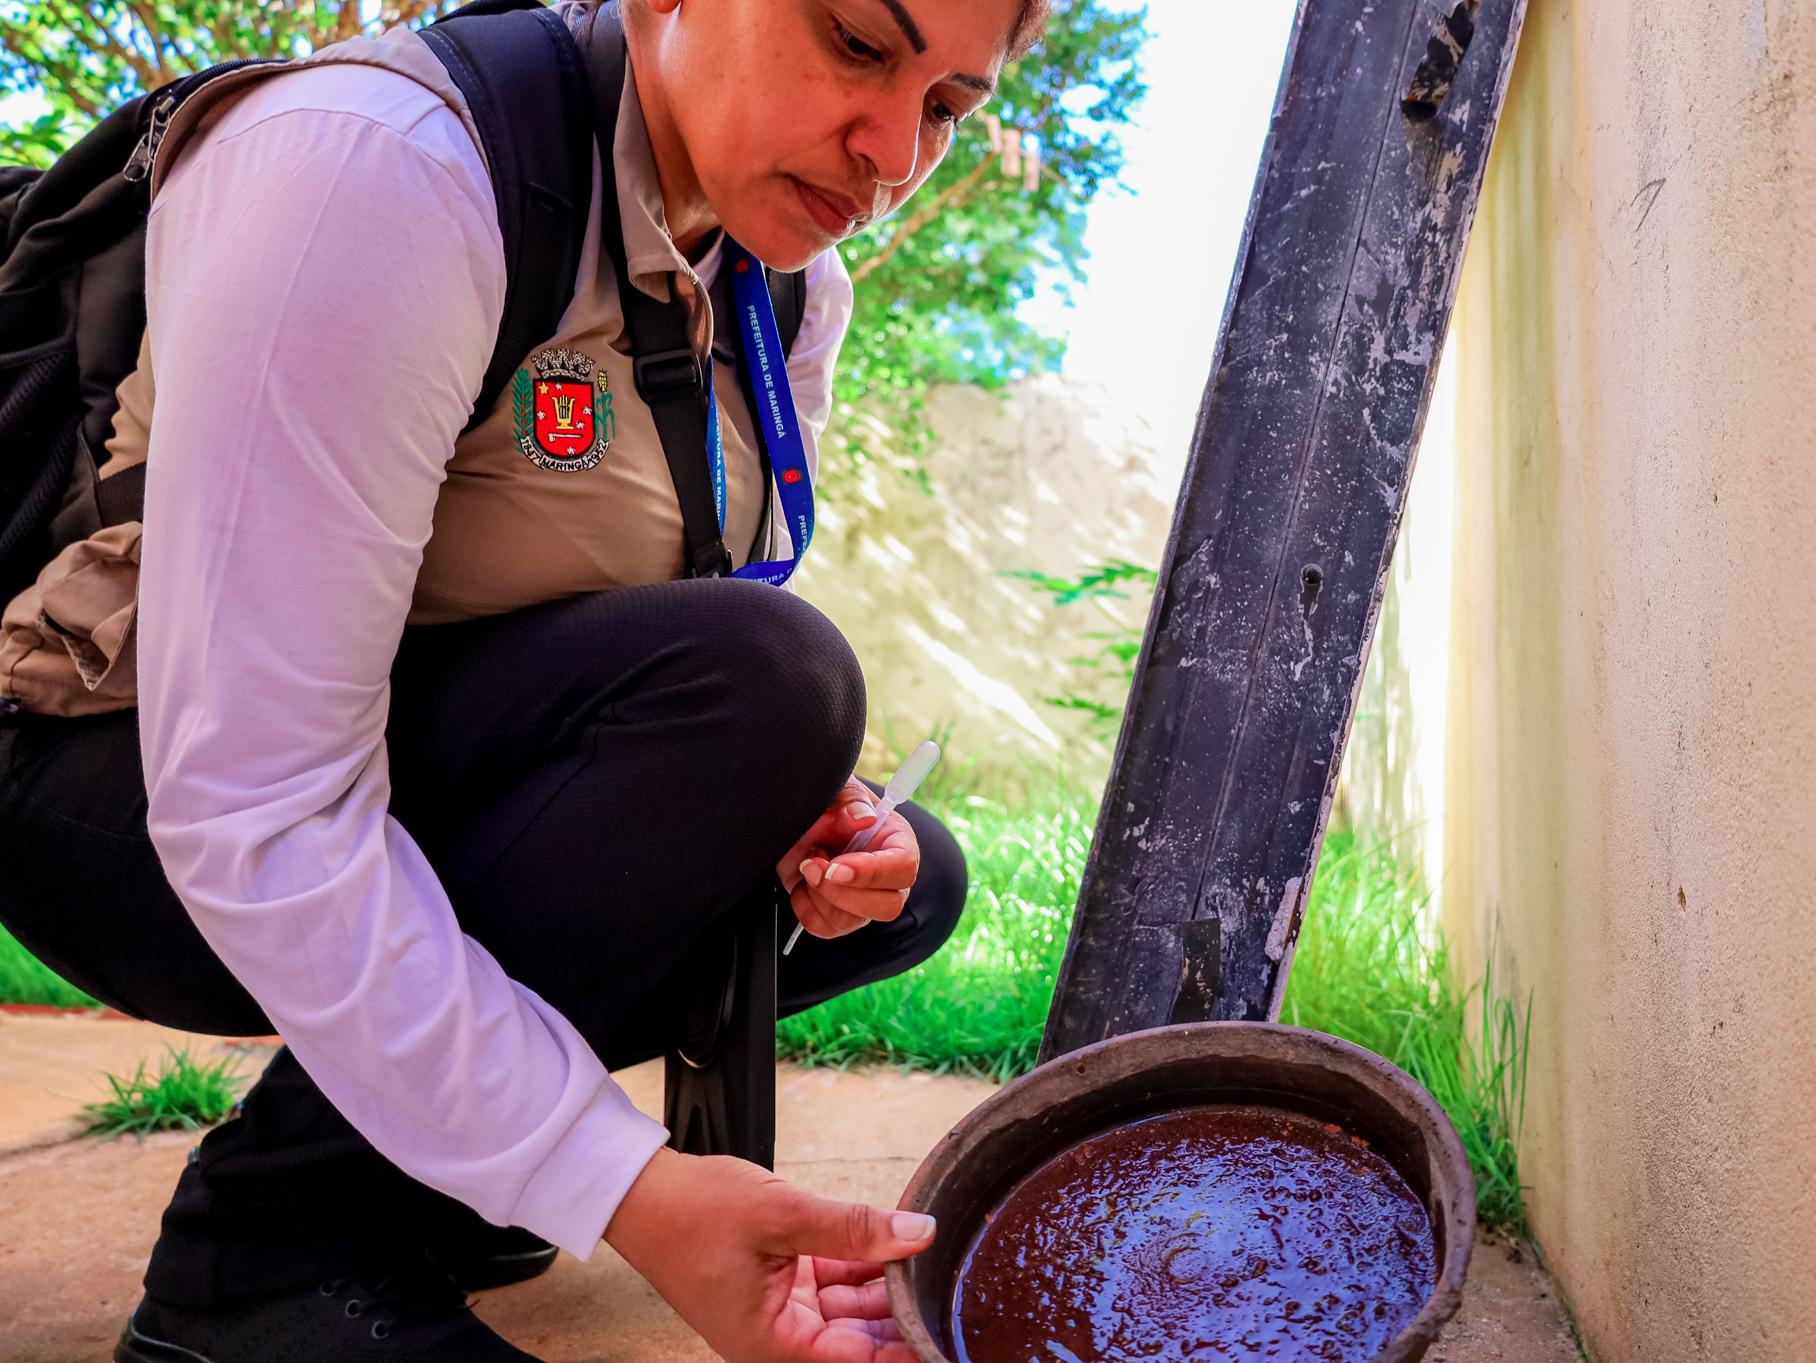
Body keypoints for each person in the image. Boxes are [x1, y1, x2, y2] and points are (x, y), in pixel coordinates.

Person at [0, 0, 1047, 1358]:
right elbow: (251, 805)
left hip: (383, 765)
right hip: (119, 789)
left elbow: (653, 647)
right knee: (775, 685)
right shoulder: (381, 169)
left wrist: (795, 805)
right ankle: (261, 1262)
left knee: (897, 875)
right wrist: (621, 1182)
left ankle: (423, 1166)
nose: (894, 152)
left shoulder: (788, 289)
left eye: (949, 107)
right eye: (856, 43)